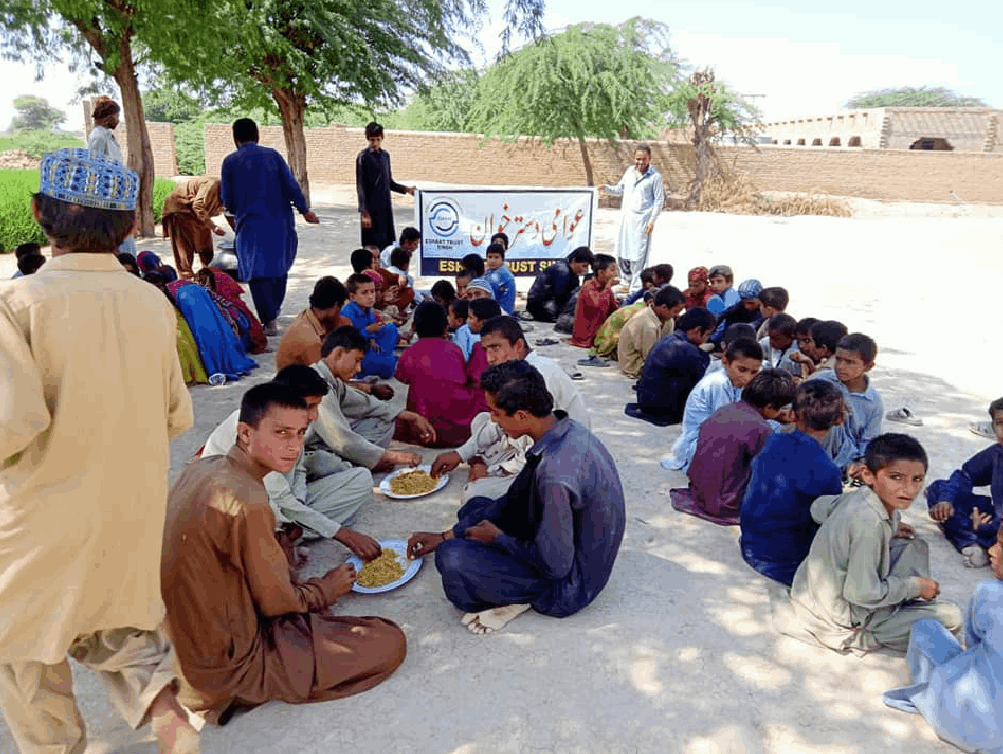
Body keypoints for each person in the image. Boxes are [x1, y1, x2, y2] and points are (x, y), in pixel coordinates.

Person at [0, 149, 197, 753]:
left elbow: (11, 425)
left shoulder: (18, 304)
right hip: (128, 512)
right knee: (117, 628)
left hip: (38, 520)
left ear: (38, 214)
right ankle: (166, 715)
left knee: (21, 652)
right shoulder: (152, 304)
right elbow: (176, 415)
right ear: (130, 227)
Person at [163, 383, 406, 725]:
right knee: (387, 640)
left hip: (186, 648)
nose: (294, 446)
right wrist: (325, 589)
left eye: (300, 433)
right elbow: (277, 605)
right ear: (245, 433)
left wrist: (278, 552)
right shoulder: (248, 499)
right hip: (224, 663)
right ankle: (242, 687)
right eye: (280, 433)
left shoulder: (206, 464)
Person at [409, 360, 625, 635]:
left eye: (496, 414)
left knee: (452, 560)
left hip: (569, 584)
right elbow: (512, 500)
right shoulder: (564, 428)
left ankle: (520, 598)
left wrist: (499, 539)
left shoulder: (555, 476)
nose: (494, 421)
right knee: (475, 509)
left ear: (522, 415)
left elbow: (556, 566)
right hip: (564, 540)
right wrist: (445, 535)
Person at [787, 434, 963, 654]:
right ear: (868, 475)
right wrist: (915, 586)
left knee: (915, 545)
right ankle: (874, 628)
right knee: (952, 617)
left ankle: (893, 607)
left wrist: (892, 526)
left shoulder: (858, 496)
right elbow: (860, 592)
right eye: (896, 478)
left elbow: (818, 508)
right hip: (840, 614)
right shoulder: (869, 524)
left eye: (917, 479)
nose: (908, 489)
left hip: (810, 591)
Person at [200, 365, 379, 557]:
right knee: (276, 512)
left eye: (317, 406)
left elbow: (299, 470)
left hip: (279, 497)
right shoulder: (260, 428)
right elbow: (277, 498)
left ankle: (292, 532)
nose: (315, 415)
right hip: (239, 508)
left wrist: (299, 502)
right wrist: (343, 534)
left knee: (361, 477)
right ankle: (280, 538)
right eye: (310, 406)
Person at [431, 315, 591, 503]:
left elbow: (540, 445)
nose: (490, 358)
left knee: (474, 494)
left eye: (496, 348)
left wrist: (494, 472)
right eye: (486, 350)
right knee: (482, 420)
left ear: (519, 346)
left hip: (557, 456)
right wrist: (460, 454)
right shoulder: (514, 372)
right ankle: (490, 462)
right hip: (526, 439)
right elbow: (499, 423)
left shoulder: (538, 376)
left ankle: (498, 469)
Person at [882, 527, 1003, 754]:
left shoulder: (989, 593)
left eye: (1001, 545)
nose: (992, 551)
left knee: (925, 629)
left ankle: (936, 694)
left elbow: (973, 644)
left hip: (974, 726)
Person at [739, 380, 846, 583]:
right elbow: (831, 522)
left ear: (791, 415)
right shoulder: (827, 471)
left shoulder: (772, 441)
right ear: (840, 419)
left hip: (751, 546)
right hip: (784, 562)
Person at [221, 118, 319, 335]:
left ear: (235, 137)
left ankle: (269, 318)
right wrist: (305, 210)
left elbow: (228, 201)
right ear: (257, 134)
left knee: (257, 273)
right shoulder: (273, 156)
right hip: (280, 224)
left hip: (250, 227)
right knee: (279, 269)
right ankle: (273, 311)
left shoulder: (229, 162)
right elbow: (292, 186)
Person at [671, 369, 795, 526]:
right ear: (770, 406)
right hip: (724, 504)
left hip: (699, 492)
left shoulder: (726, 410)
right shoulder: (761, 429)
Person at [310, 326, 433, 471]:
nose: (359, 369)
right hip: (306, 451)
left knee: (384, 421)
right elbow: (340, 439)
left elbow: (365, 403)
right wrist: (392, 457)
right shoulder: (315, 384)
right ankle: (357, 463)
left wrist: (411, 416)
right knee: (353, 475)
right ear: (338, 353)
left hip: (324, 443)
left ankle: (361, 459)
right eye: (356, 361)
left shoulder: (331, 380)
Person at [661, 338, 764, 471]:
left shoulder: (735, 382)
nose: (748, 377)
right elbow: (724, 427)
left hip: (719, 438)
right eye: (742, 369)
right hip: (701, 443)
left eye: (754, 372)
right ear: (725, 362)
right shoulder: (718, 383)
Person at [394, 301, 487, 447]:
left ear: (414, 327)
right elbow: (461, 376)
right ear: (446, 328)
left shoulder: (410, 353)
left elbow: (401, 377)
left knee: (393, 418)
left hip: (425, 426)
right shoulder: (454, 349)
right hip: (461, 427)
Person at [925, 396, 1003, 568]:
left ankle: (981, 542)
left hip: (998, 528)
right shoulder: (997, 453)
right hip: (996, 522)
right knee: (938, 489)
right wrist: (946, 500)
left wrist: (986, 528)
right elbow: (964, 475)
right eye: (1000, 423)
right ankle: (975, 544)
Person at [626, 307, 716, 426]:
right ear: (698, 330)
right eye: (707, 334)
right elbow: (701, 383)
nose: (707, 339)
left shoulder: (669, 339)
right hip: (665, 411)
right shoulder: (689, 351)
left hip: (646, 402)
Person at [809, 332, 883, 475]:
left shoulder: (873, 402)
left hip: (845, 458)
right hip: (812, 443)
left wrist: (861, 465)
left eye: (850, 362)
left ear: (868, 366)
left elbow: (867, 442)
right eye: (838, 359)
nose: (841, 367)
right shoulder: (821, 380)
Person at [599, 144, 664, 292]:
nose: (640, 162)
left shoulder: (655, 177)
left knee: (638, 254)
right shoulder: (629, 172)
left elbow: (659, 201)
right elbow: (620, 189)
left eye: (644, 159)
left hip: (642, 222)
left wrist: (652, 221)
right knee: (623, 252)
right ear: (634, 158)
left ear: (650, 158)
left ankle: (635, 286)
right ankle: (625, 281)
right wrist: (606, 188)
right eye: (638, 159)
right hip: (627, 221)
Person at [356, 122, 415, 249]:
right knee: (371, 247)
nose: (375, 143)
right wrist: (364, 212)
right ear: (367, 137)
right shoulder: (363, 157)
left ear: (382, 138)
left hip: (385, 209)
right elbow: (360, 186)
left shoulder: (385, 156)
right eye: (372, 140)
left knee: (386, 245)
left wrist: (406, 189)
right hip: (370, 210)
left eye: (378, 139)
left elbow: (389, 183)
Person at [276, 276, 351, 370]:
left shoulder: (306, 315)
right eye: (340, 308)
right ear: (336, 305)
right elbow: (325, 378)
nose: (339, 314)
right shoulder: (311, 341)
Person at [161, 176, 227, 279]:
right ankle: (186, 278)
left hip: (197, 213)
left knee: (206, 246)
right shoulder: (211, 185)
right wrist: (213, 227)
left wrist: (237, 231)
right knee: (184, 248)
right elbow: (198, 205)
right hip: (180, 209)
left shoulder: (230, 193)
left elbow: (230, 212)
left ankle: (207, 275)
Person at [617, 285, 686, 378]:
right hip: (634, 363)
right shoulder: (647, 324)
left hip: (653, 356)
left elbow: (668, 345)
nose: (677, 315)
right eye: (676, 311)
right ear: (664, 307)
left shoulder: (668, 319)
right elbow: (649, 356)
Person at [341, 273, 398, 379]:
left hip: (368, 346)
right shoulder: (347, 312)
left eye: (372, 291)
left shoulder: (368, 309)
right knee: (389, 364)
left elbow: (372, 330)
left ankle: (383, 357)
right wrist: (368, 330)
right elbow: (349, 340)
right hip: (356, 353)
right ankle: (382, 361)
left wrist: (372, 338)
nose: (371, 296)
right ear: (352, 296)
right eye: (365, 293)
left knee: (391, 329)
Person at [525, 246, 593, 322]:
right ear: (573, 261)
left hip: (547, 306)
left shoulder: (571, 271)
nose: (585, 270)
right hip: (542, 309)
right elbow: (561, 297)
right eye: (584, 266)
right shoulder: (563, 271)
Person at [567, 253, 618, 348]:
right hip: (587, 336)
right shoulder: (588, 286)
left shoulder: (606, 288)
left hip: (600, 329)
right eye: (612, 270)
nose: (615, 274)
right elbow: (597, 306)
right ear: (601, 272)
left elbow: (613, 310)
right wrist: (608, 288)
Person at [709, 278, 763, 345]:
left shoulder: (764, 311)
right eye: (744, 303)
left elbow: (751, 327)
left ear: (760, 299)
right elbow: (723, 315)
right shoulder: (740, 306)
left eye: (750, 303)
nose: (746, 306)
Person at [465, 298, 503, 386]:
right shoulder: (503, 344)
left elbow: (475, 381)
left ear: (484, 322)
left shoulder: (480, 347)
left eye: (470, 317)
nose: (467, 321)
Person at [483, 242, 517, 314]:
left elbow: (508, 303)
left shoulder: (507, 277)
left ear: (502, 259)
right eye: (490, 257)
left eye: (496, 257)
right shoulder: (486, 273)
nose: (492, 260)